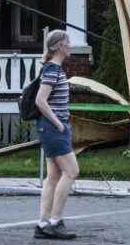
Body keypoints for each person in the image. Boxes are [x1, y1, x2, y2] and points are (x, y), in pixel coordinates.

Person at [34, 29, 79, 240]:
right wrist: (59, 124)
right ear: (59, 46)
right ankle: (55, 221)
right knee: (71, 171)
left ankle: (43, 224)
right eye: (68, 42)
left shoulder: (55, 69)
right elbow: (40, 101)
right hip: (54, 129)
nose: (71, 45)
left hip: (52, 128)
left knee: (53, 176)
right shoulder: (52, 70)